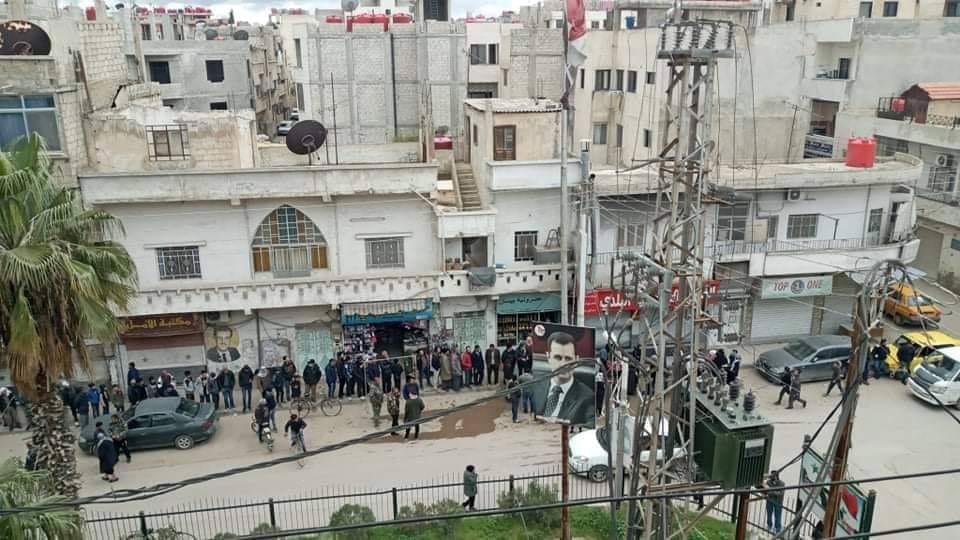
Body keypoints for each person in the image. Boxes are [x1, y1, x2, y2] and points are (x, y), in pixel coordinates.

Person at [539, 332, 594, 425]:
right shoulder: (535, 386)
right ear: (548, 357)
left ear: (576, 361)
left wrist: (562, 423)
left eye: (568, 358)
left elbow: (591, 424)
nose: (563, 364)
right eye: (558, 357)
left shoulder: (587, 397)